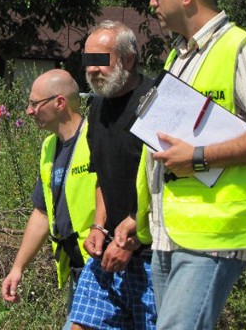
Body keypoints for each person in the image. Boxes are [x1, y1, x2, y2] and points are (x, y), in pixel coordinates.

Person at [117, 0, 246, 330]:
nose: (151, 2)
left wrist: (199, 156)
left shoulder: (243, 51)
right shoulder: (178, 57)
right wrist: (143, 216)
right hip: (171, 232)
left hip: (216, 234)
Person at [69, 20, 157, 330]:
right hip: (108, 250)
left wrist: (132, 235)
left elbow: (166, 183)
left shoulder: (154, 102)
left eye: (100, 61)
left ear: (129, 59)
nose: (91, 70)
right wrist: (98, 223)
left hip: (151, 256)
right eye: (88, 61)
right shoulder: (97, 107)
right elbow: (102, 175)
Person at [1, 69, 96, 329]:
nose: (29, 111)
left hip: (99, 266)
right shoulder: (49, 147)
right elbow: (42, 212)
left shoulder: (96, 138)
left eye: (34, 104)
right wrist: (17, 268)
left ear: (60, 103)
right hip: (76, 269)